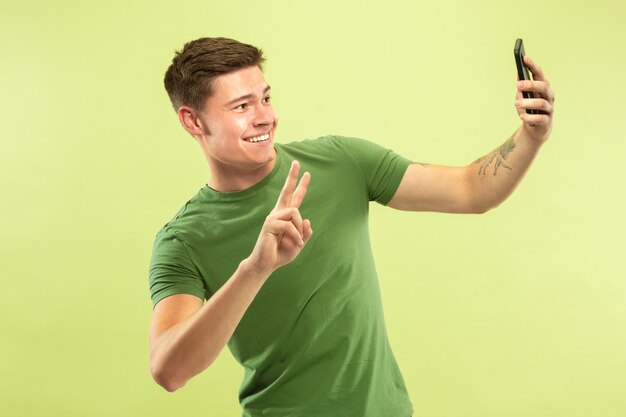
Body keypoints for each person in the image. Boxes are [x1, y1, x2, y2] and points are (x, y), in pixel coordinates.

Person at [148, 37, 555, 416]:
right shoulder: (183, 239)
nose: (265, 118)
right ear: (193, 121)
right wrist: (255, 269)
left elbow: (471, 190)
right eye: (241, 107)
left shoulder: (341, 162)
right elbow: (169, 370)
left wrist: (531, 135)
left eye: (266, 98)